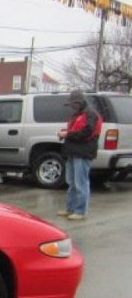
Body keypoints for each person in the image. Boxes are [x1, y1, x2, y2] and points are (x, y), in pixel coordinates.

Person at [57, 90, 99, 221]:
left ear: (80, 102)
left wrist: (67, 135)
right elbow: (76, 131)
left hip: (83, 153)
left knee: (81, 183)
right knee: (72, 183)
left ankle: (80, 211)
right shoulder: (78, 115)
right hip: (72, 152)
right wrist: (65, 133)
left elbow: (86, 132)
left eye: (73, 104)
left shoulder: (91, 115)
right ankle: (70, 208)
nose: (71, 107)